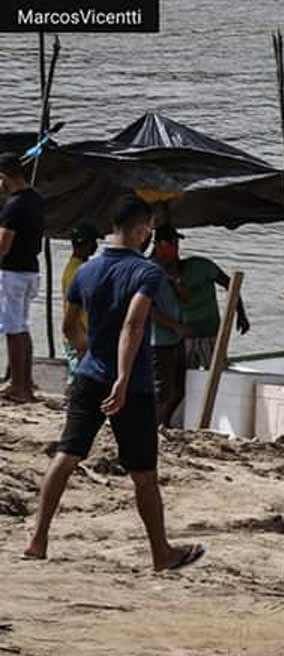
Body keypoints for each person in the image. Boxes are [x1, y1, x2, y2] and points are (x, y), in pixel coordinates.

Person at [22, 196, 205, 571]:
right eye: (148, 231)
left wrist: (90, 352)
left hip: (88, 375)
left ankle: (38, 539)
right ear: (140, 230)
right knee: (143, 474)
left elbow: (69, 326)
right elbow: (134, 324)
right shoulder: (146, 272)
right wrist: (122, 376)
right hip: (131, 385)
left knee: (67, 455)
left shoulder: (85, 272)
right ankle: (161, 553)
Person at [0, 153, 45, 404]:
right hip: (30, 270)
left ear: (5, 177)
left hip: (13, 273)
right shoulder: (35, 199)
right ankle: (23, 382)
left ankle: (19, 387)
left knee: (13, 330)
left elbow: (3, 247)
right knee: (22, 327)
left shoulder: (14, 205)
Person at [173, 229, 250, 369]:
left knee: (218, 373)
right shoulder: (156, 272)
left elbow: (231, 285)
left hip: (209, 333)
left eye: (174, 244)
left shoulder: (202, 266)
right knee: (185, 378)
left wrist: (241, 313)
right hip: (183, 337)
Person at [149, 225, 188, 428]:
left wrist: (176, 283)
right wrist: (174, 325)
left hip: (174, 338)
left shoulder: (167, 271)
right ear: (162, 245)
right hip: (159, 340)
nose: (177, 248)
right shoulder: (151, 270)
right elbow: (148, 310)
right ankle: (152, 427)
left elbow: (184, 300)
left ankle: (163, 424)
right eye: (173, 244)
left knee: (178, 388)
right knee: (162, 389)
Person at [60, 223, 99, 384]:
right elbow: (73, 309)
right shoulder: (76, 271)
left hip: (81, 332)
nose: (96, 246)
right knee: (78, 378)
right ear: (88, 244)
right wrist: (81, 337)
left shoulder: (78, 268)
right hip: (79, 334)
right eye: (94, 242)